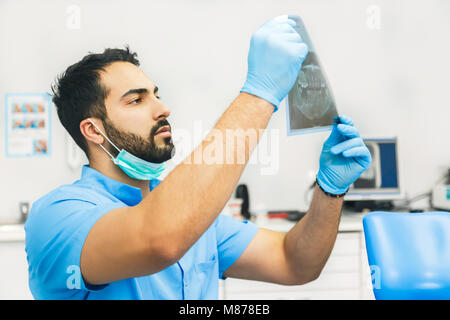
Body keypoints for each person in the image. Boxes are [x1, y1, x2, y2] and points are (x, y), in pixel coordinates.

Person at [24, 15, 371, 299]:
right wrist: (259, 93)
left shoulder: (195, 216)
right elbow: (159, 240)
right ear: (93, 131)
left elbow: (295, 263)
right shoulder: (57, 216)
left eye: (156, 95)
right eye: (136, 100)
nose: (163, 109)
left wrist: (330, 191)